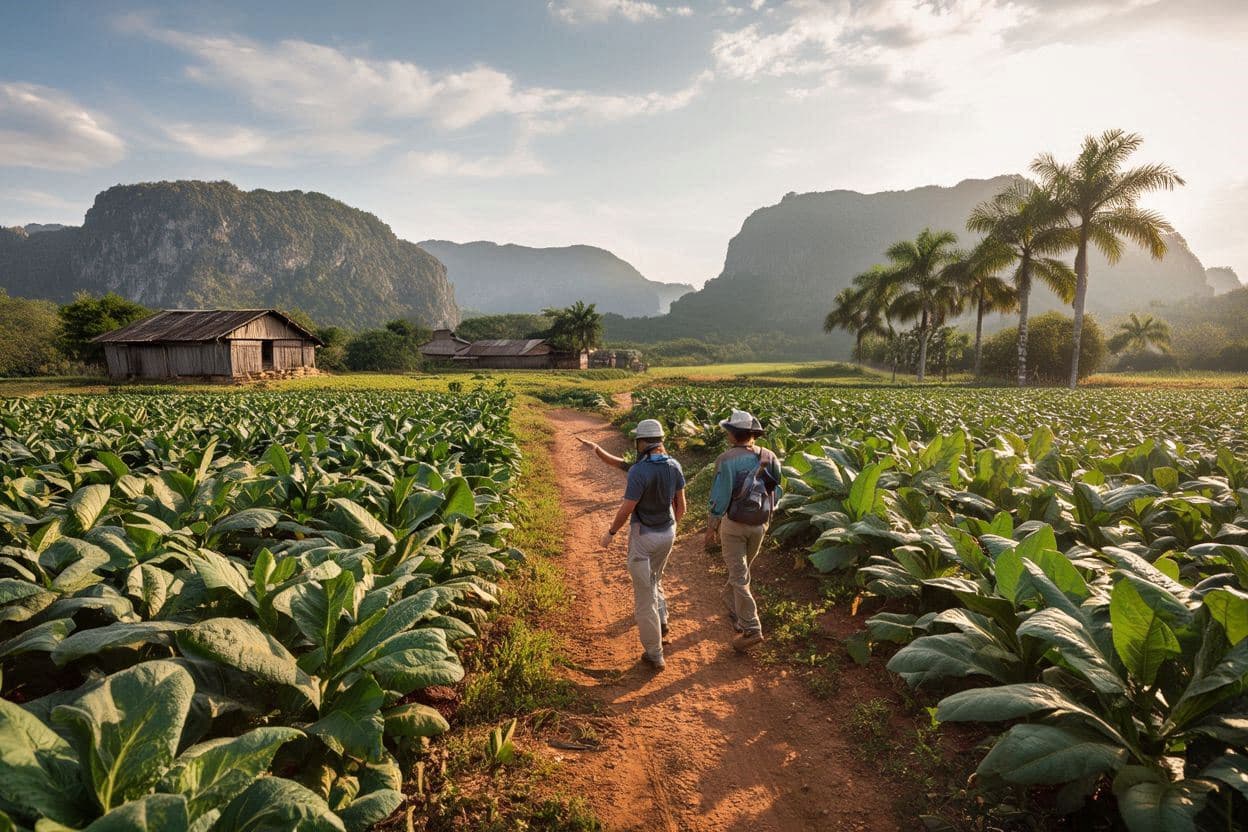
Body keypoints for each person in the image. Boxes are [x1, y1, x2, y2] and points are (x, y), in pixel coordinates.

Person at [586, 420, 685, 671]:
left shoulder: (640, 472)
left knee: (644, 598)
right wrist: (596, 449)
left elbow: (628, 508)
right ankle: (663, 621)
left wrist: (611, 532)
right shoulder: (673, 465)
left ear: (641, 442)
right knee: (656, 579)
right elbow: (681, 507)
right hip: (668, 532)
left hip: (644, 538)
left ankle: (654, 653)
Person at [705, 409, 782, 652]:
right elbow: (777, 492)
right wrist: (765, 517)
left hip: (734, 525)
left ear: (733, 434)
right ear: (752, 434)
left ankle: (752, 628)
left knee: (739, 576)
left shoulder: (726, 460)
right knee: (742, 571)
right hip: (760, 525)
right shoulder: (770, 457)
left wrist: (711, 527)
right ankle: (736, 613)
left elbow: (720, 497)